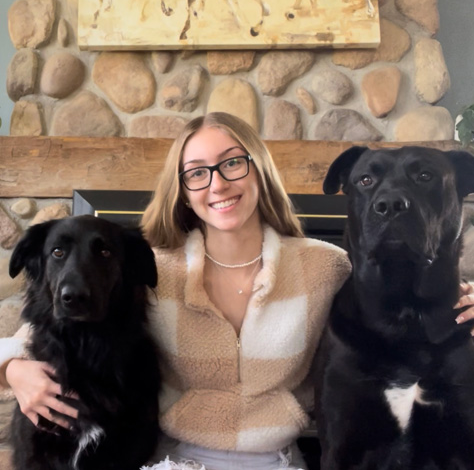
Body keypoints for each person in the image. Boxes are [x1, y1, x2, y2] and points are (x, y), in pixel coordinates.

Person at [1, 112, 474, 470]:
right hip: (175, 460)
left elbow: (396, 299)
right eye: (198, 172)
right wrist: (15, 367)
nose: (218, 184)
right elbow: (45, 330)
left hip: (277, 460)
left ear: (258, 170)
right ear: (184, 189)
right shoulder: (153, 268)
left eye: (232, 164)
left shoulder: (323, 264)